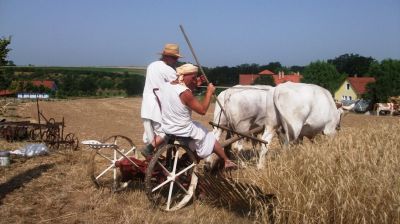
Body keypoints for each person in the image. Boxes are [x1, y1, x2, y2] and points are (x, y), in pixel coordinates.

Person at [159, 63, 237, 169]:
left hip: (168, 126)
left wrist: (195, 84)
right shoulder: (185, 92)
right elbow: (202, 110)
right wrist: (209, 93)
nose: (195, 80)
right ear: (184, 76)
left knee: (198, 130)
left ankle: (188, 158)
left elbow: (184, 95)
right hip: (182, 128)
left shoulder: (167, 85)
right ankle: (226, 160)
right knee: (209, 137)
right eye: (193, 77)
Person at [140, 43, 182, 156]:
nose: (176, 60)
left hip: (146, 106)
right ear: (167, 56)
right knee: (166, 132)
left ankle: (151, 158)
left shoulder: (152, 65)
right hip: (158, 107)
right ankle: (151, 151)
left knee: (150, 135)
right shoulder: (169, 70)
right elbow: (180, 87)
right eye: (175, 57)